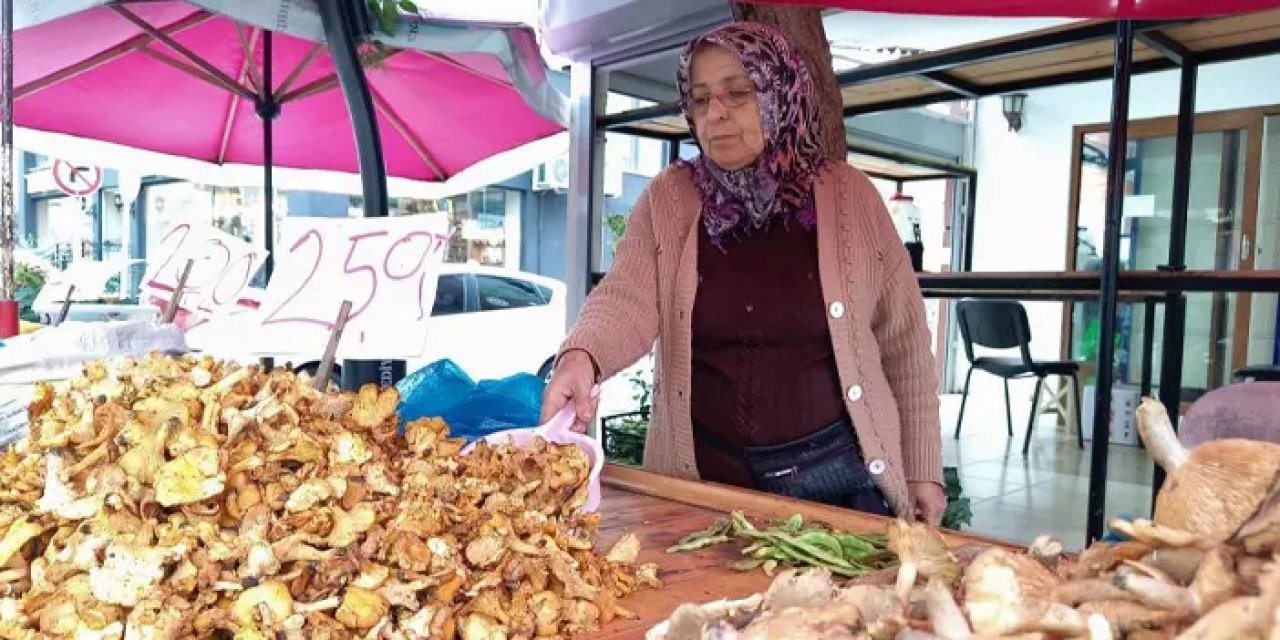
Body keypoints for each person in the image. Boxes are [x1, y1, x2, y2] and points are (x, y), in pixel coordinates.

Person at [541, 22, 945, 523]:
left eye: (739, 92)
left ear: (781, 93)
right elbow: (627, 295)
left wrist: (923, 470)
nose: (717, 113)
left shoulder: (850, 197)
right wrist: (583, 356)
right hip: (704, 484)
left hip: (835, 480)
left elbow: (904, 341)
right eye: (701, 98)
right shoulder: (670, 198)